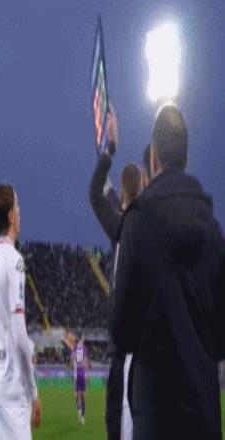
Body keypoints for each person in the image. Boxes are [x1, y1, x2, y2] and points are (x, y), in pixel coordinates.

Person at [110, 105, 224, 439]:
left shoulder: (137, 223)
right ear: (186, 159)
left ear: (154, 160)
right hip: (204, 418)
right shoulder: (214, 232)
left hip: (155, 418)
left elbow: (120, 331)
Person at [89, 108, 142, 440]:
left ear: (123, 195)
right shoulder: (147, 228)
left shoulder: (122, 227)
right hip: (146, 360)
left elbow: (95, 193)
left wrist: (110, 148)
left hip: (125, 359)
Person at [0, 184, 41, 440]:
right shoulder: (14, 260)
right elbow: (17, 332)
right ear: (10, 216)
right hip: (11, 391)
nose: (20, 211)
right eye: (17, 206)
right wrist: (33, 393)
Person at [69, 333, 90, 425]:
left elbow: (71, 360)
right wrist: (87, 374)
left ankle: (79, 411)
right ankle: (83, 417)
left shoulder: (74, 348)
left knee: (77, 395)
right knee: (82, 395)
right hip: (82, 373)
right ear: (81, 338)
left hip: (76, 373)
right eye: (83, 338)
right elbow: (86, 361)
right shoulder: (84, 349)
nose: (84, 339)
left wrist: (71, 373)